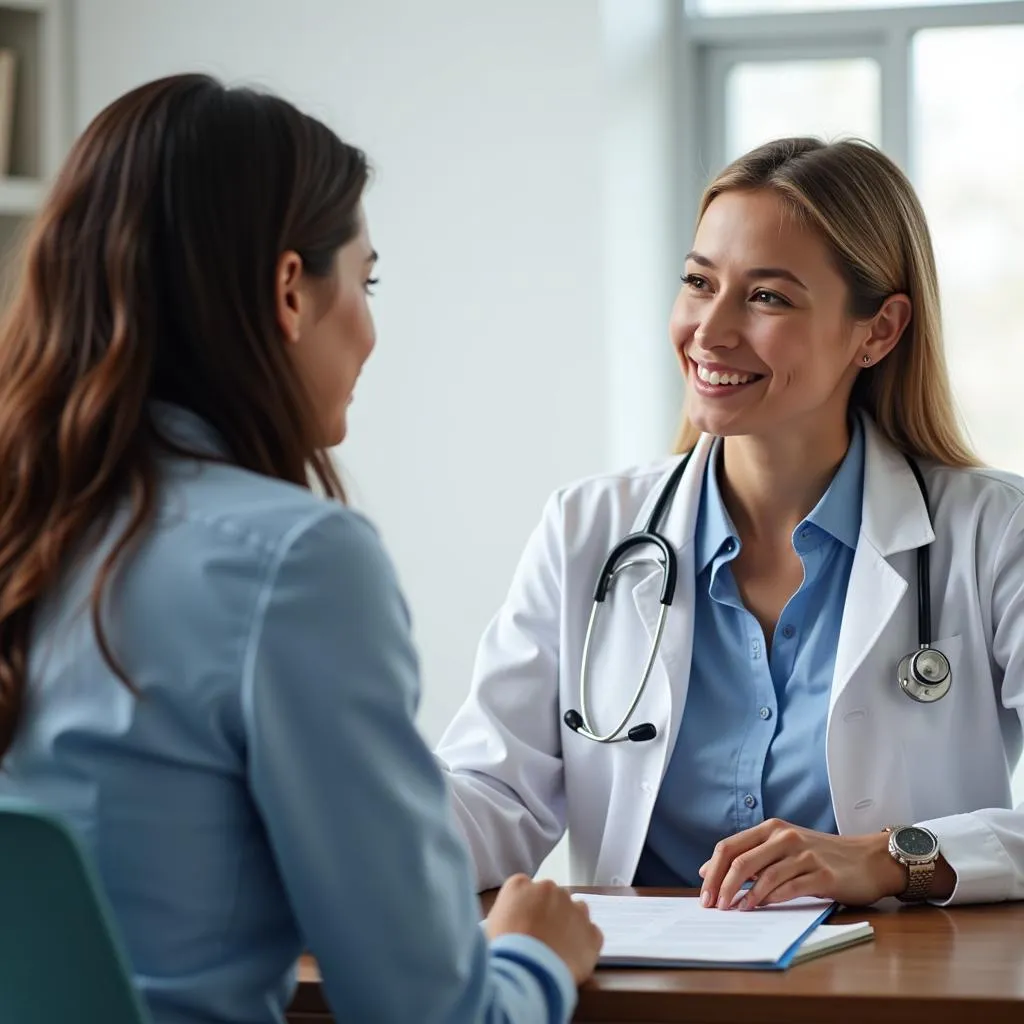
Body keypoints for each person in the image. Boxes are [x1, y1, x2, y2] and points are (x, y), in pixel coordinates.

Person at [0, 73, 601, 1024]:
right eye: (364, 281)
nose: (369, 330)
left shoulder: (26, 526)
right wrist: (534, 956)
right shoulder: (294, 564)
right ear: (289, 289)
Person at [436, 136, 1024, 911]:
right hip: (648, 986)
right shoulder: (589, 527)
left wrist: (882, 860)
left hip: (893, 986)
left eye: (767, 297)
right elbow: (495, 790)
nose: (709, 331)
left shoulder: (992, 533)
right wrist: (355, 825)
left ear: (877, 331)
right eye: (698, 282)